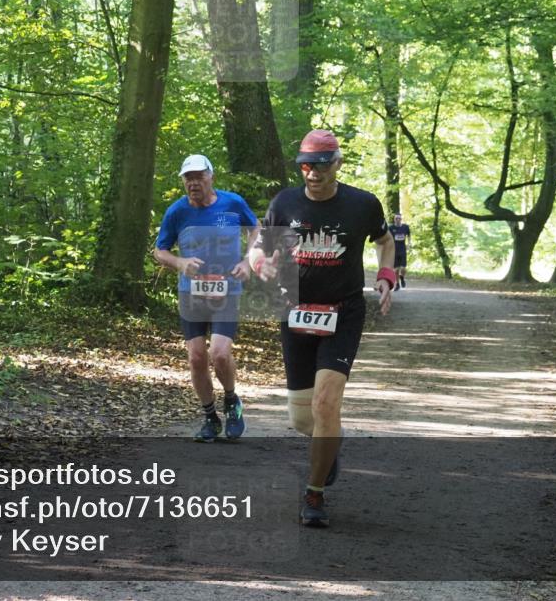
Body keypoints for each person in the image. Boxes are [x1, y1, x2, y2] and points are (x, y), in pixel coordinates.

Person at [248, 130, 395, 527]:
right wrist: (261, 264)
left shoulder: (362, 204)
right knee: (302, 421)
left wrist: (385, 275)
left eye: (322, 164)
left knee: (325, 404)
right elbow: (257, 246)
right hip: (294, 310)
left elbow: (384, 241)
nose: (313, 173)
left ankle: (314, 494)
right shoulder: (285, 203)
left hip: (343, 313)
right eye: (306, 165)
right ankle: (329, 445)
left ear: (338, 164)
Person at [154, 154, 260, 442]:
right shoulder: (176, 212)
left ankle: (231, 399)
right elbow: (160, 250)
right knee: (197, 357)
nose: (194, 183)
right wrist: (180, 263)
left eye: (199, 176)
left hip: (226, 291)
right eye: (188, 178)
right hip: (192, 294)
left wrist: (248, 261)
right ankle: (210, 417)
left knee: (220, 354)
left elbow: (256, 230)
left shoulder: (232, 203)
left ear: (211, 177)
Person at [388, 213, 411, 289]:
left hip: (402, 249)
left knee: (403, 268)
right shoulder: (391, 228)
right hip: (394, 250)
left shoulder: (405, 227)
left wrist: (409, 244)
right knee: (396, 269)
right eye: (396, 218)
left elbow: (409, 236)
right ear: (394, 219)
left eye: (399, 218)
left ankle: (402, 277)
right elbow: (388, 237)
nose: (398, 220)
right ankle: (397, 284)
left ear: (401, 219)